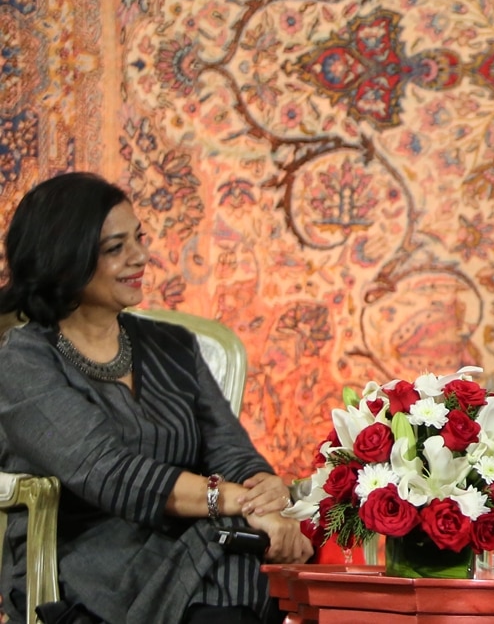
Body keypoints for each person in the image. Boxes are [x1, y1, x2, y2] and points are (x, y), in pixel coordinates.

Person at [0, 173, 311, 624]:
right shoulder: (23, 360)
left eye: (139, 238)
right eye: (116, 247)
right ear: (64, 260)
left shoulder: (173, 347)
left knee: (245, 555)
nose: (141, 256)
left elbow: (229, 449)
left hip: (190, 537)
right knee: (237, 561)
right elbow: (108, 470)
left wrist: (264, 490)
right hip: (86, 555)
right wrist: (239, 504)